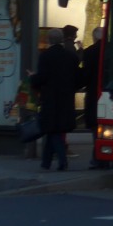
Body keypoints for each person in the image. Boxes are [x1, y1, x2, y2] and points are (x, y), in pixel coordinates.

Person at [31, 27, 80, 171]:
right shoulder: (71, 56)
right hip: (66, 99)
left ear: (49, 40)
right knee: (54, 129)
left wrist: (32, 77)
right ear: (62, 39)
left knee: (53, 130)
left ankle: (62, 160)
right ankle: (45, 162)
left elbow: (42, 78)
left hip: (50, 99)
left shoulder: (45, 56)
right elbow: (77, 77)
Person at [80, 27, 111, 169]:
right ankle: (106, 157)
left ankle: (99, 157)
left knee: (95, 129)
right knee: (108, 128)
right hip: (112, 94)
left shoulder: (89, 52)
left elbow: (85, 76)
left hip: (94, 94)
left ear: (94, 37)